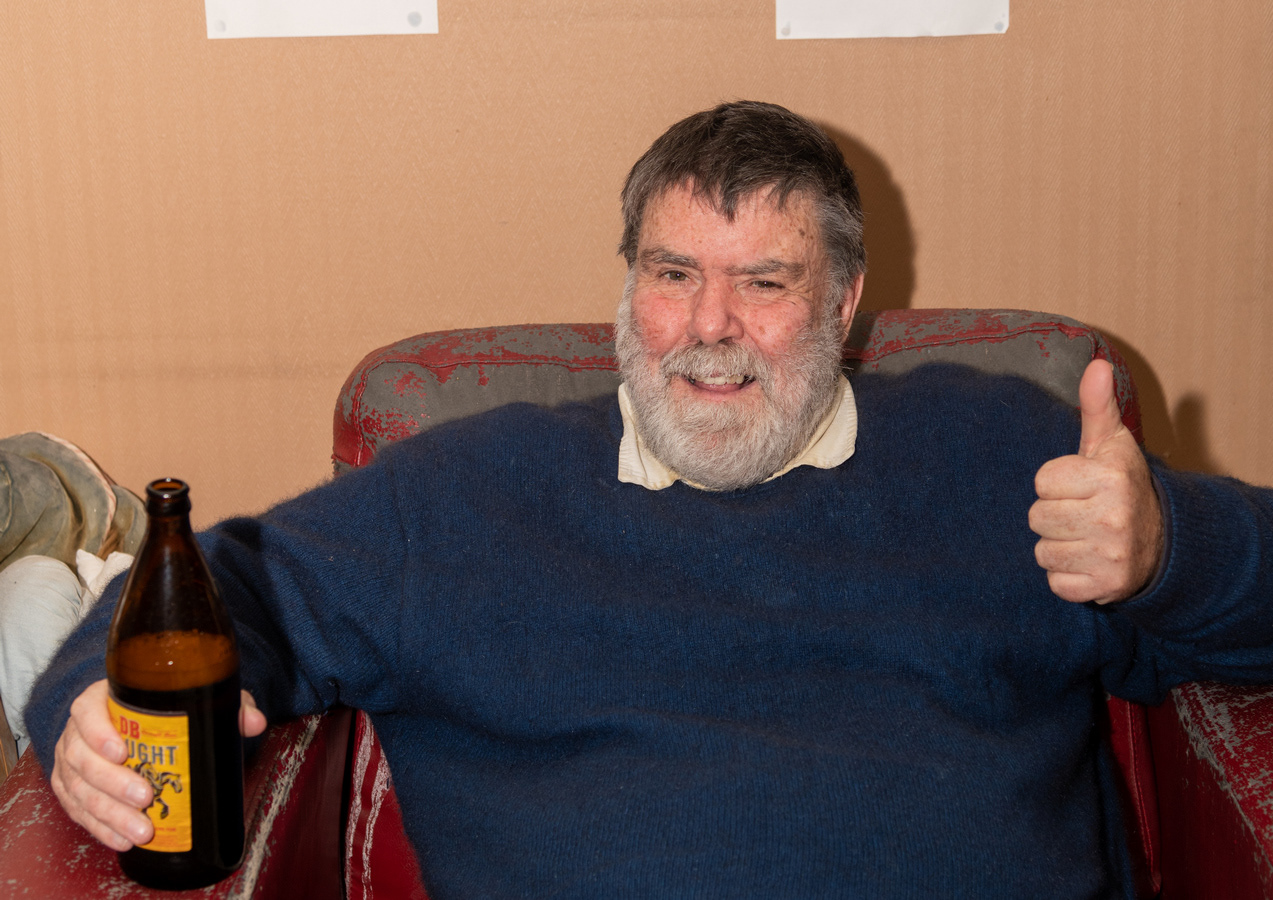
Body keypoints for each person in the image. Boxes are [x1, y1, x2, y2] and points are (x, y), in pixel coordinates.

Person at [28, 101, 1273, 898]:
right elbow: (220, 587)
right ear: (627, 287)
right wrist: (88, 710)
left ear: (844, 303)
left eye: (764, 282)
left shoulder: (1003, 453)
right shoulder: (462, 498)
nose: (707, 328)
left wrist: (1173, 548)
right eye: (672, 274)